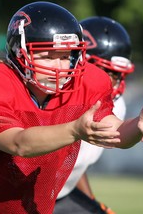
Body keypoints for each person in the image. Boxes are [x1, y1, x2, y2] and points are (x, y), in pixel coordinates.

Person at [0, 1, 143, 214]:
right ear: (19, 52)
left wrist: (137, 128)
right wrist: (74, 130)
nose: (59, 66)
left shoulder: (88, 82)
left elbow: (116, 134)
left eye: (66, 56)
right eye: (47, 56)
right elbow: (19, 144)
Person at [54, 16, 135, 214]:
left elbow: (75, 165)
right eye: (104, 72)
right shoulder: (55, 99)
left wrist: (91, 203)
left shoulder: (116, 105)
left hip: (60, 195)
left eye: (116, 75)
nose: (111, 83)